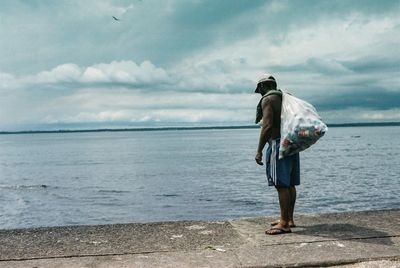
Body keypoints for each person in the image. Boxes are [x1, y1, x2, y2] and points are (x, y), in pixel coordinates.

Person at [254, 74, 300, 235]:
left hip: (277, 144)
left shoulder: (268, 99)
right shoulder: (284, 97)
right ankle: (289, 219)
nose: (259, 93)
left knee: (281, 184)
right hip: (291, 142)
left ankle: (284, 224)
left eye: (258, 90)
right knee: (290, 183)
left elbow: (266, 126)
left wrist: (259, 150)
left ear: (262, 87)